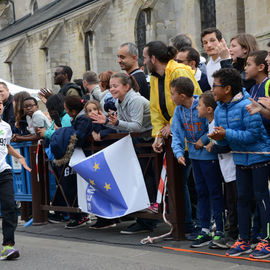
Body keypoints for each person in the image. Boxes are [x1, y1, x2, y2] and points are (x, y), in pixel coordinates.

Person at [208, 68, 270, 259]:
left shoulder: (247, 105)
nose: (212, 90)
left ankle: (266, 240)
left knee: (262, 201)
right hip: (240, 159)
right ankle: (243, 239)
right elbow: (226, 142)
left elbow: (253, 136)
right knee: (241, 200)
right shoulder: (219, 109)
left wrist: (226, 134)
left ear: (227, 88)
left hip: (259, 157)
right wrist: (218, 138)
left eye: (215, 86)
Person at [90, 72, 157, 234]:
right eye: (111, 86)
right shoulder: (119, 101)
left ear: (126, 87)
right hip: (139, 143)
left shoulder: (134, 100)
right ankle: (144, 218)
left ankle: (148, 220)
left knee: (147, 178)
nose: (111, 89)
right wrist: (106, 122)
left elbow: (137, 126)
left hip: (149, 143)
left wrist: (116, 122)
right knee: (140, 178)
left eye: (115, 86)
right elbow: (122, 126)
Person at [170, 77, 224, 248]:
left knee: (214, 192)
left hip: (209, 157)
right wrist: (179, 152)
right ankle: (204, 228)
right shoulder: (179, 111)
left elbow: (212, 124)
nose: (171, 97)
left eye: (173, 94)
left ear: (182, 95)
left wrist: (202, 139)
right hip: (194, 157)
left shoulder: (202, 105)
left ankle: (220, 229)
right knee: (201, 192)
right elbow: (177, 132)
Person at [142, 41, 202, 152]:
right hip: (175, 140)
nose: (144, 62)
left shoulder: (178, 71)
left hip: (193, 137)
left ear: (153, 59)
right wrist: (158, 135)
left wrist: (172, 125)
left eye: (145, 58)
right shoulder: (155, 77)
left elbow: (190, 102)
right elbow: (155, 108)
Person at [197, 91, 238, 248]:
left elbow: (225, 145)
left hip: (232, 167)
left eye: (199, 105)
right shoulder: (210, 124)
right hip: (226, 169)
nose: (197, 108)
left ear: (209, 109)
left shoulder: (216, 123)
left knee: (234, 202)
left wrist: (212, 147)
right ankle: (230, 234)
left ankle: (234, 235)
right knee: (230, 201)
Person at [0, 98, 31, 260]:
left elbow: (6, 145)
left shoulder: (5, 127)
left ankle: (8, 246)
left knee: (10, 207)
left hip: (3, 172)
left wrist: (19, 157)